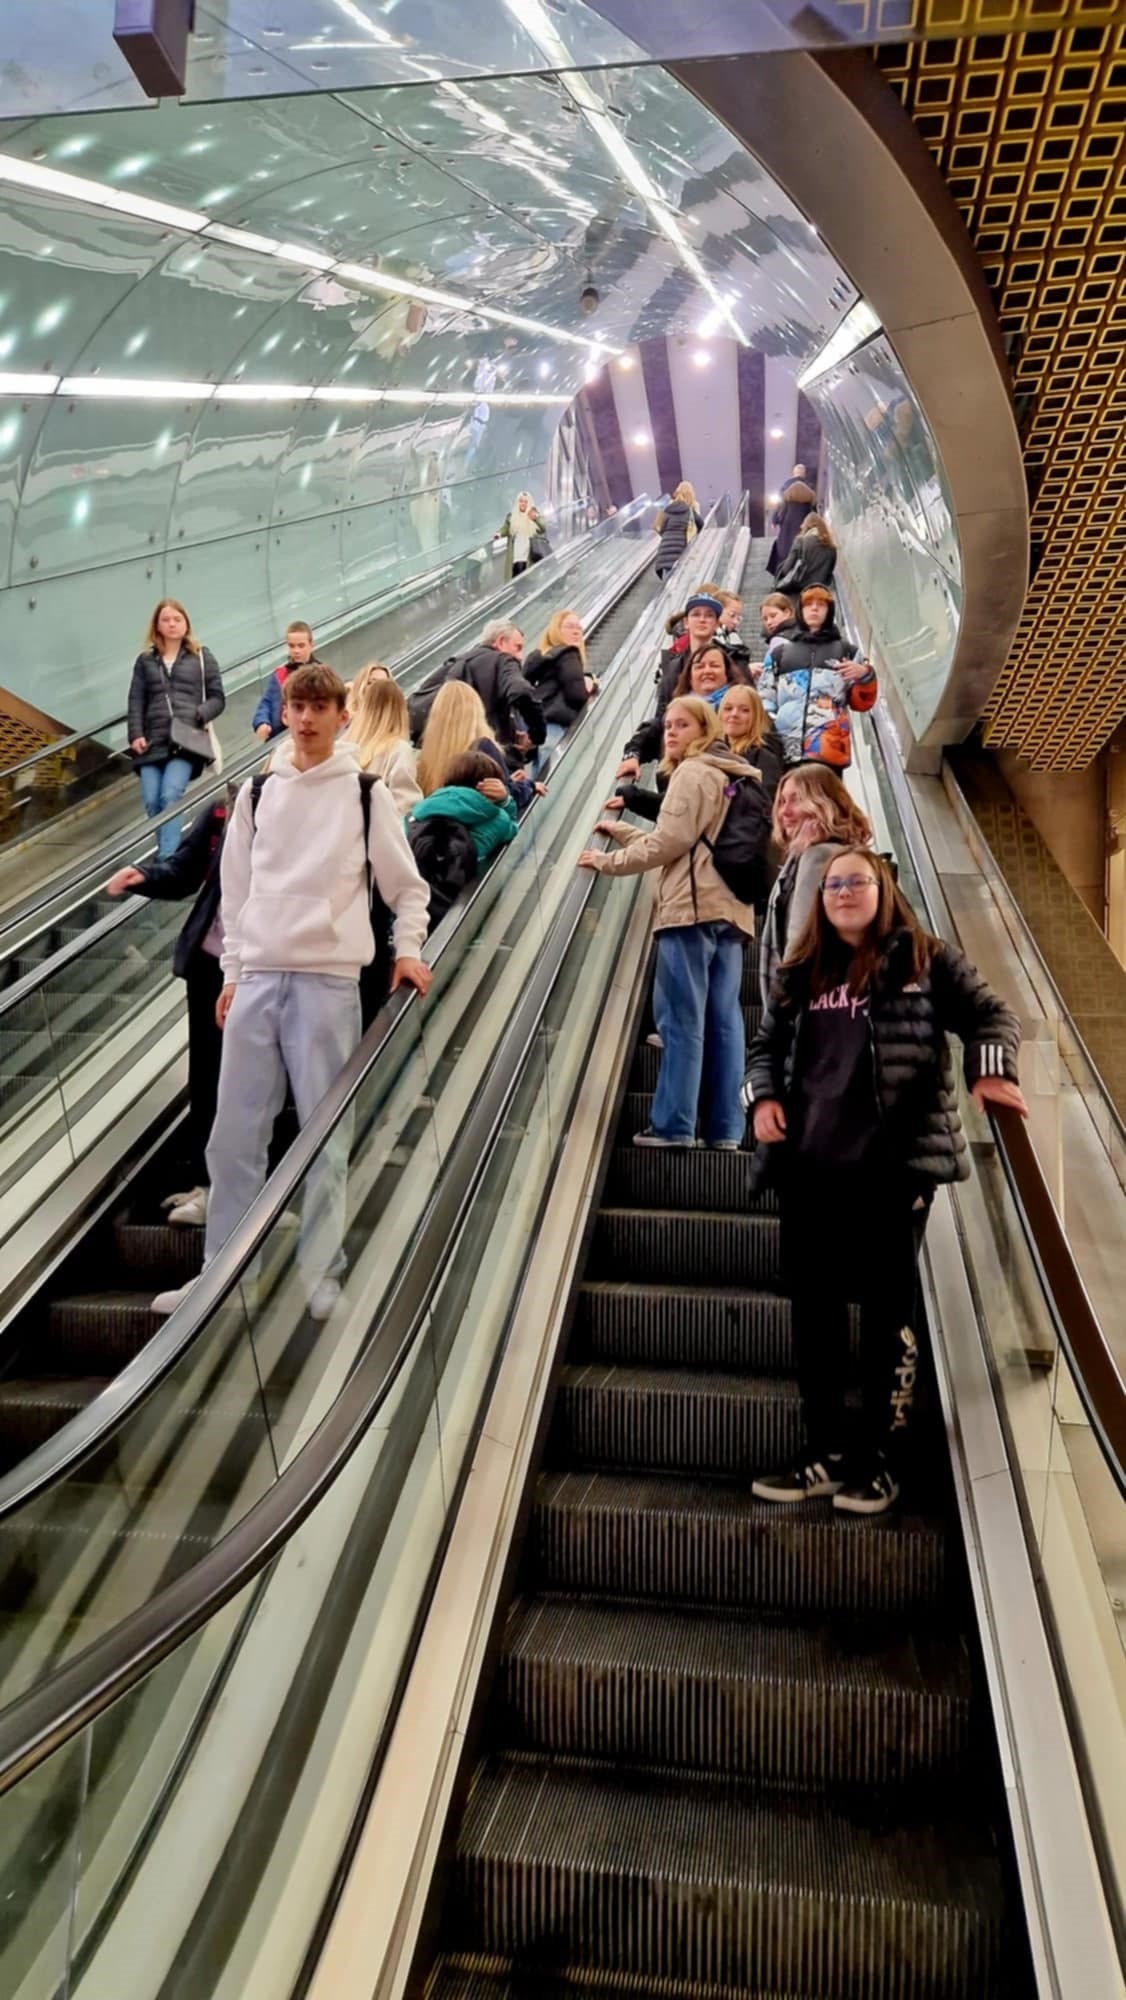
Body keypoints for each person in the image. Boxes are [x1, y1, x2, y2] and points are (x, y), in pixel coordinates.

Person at [744, 849, 1026, 1515]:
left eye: (857, 881)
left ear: (883, 889)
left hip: (890, 1174)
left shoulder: (925, 959)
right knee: (814, 1316)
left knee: (884, 1318)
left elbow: (993, 1015)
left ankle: (877, 1461)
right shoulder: (800, 971)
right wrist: (762, 1099)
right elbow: (763, 1048)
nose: (843, 892)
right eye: (832, 884)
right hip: (808, 1170)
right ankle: (822, 1452)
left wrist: (990, 1069)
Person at [151, 663, 431, 1324]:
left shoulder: (364, 794)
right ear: (285, 713)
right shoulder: (256, 792)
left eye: (318, 708)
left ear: (341, 716)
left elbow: (406, 887)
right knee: (232, 1136)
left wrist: (409, 949)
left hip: (328, 981)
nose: (305, 719)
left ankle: (321, 1272)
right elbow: (237, 894)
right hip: (259, 979)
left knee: (325, 1132)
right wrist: (233, 975)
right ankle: (222, 1277)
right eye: (297, 707)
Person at [578, 697, 754, 1150]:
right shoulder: (733, 774)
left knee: (681, 1020)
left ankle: (674, 1125)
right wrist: (625, 833)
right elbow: (687, 844)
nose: (671, 732)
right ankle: (726, 1129)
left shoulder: (693, 772)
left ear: (704, 730)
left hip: (691, 912)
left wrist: (608, 861)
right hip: (731, 912)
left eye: (683, 725)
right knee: (725, 1024)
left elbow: (669, 843)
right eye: (668, 725)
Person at [106, 798, 234, 1228]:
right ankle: (207, 1185)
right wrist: (143, 876)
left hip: (266, 969)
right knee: (207, 1077)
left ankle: (246, 1189)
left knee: (250, 1082)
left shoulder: (311, 809)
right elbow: (185, 870)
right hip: (210, 966)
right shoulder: (227, 808)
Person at [759, 763, 873, 1006]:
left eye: (796, 800)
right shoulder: (844, 854)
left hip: (812, 999)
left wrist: (784, 1005)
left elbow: (801, 939)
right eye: (782, 801)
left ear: (823, 803)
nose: (784, 811)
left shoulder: (818, 857)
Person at [128, 600, 225, 858]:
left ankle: (167, 859)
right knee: (152, 801)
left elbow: (217, 698)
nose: (172, 624)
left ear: (186, 624)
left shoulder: (201, 656)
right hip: (152, 742)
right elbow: (136, 700)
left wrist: (199, 714)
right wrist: (136, 734)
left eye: (177, 619)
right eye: (166, 619)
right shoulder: (145, 661)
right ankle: (167, 854)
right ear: (157, 626)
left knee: (170, 795)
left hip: (186, 740)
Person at [760, 587, 877, 770]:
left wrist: (865, 674)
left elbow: (862, 704)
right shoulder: (780, 654)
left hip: (828, 749)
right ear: (800, 610)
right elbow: (765, 698)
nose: (814, 609)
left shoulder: (847, 652)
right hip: (784, 747)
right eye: (808, 604)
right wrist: (773, 726)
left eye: (821, 604)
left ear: (829, 611)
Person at [616, 639, 748, 782]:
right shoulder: (678, 710)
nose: (707, 671)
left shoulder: (742, 711)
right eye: (699, 666)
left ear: (727, 673)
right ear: (690, 677)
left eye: (714, 665)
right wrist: (632, 755)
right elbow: (652, 731)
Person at [417, 680, 544, 813]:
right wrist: (528, 786)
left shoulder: (426, 758)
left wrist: (509, 782)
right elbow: (504, 798)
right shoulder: (482, 748)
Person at [344, 665, 422, 815]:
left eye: (383, 682)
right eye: (371, 682)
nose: (377, 687)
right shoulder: (399, 750)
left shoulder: (343, 742)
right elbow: (405, 806)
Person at [524, 609, 598, 751]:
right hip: (556, 725)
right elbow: (576, 696)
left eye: (579, 628)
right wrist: (590, 684)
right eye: (570, 627)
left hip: (537, 727)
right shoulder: (568, 654)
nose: (576, 632)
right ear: (555, 630)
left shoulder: (540, 658)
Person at [253, 622, 321, 742]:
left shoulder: (322, 675)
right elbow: (266, 702)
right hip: (280, 738)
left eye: (301, 646)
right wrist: (261, 722)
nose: (296, 651)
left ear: (311, 645)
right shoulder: (279, 674)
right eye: (292, 646)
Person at [718, 684, 784, 801]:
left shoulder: (764, 758)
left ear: (756, 717)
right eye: (728, 708)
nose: (734, 714)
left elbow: (763, 801)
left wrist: (726, 792)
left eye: (744, 710)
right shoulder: (711, 752)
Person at [655, 592, 725, 704]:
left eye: (709, 615)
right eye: (696, 614)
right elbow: (664, 709)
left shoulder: (732, 661)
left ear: (717, 623)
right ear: (686, 622)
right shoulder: (673, 669)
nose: (702, 620)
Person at [774, 513, 837, 601]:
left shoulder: (801, 541)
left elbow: (786, 568)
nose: (801, 526)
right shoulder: (831, 547)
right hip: (820, 589)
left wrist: (780, 575)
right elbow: (829, 572)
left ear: (807, 525)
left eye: (803, 523)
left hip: (799, 588)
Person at [766, 465, 815, 576]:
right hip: (803, 522)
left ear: (794, 473)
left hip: (787, 521)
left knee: (784, 546)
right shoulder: (809, 486)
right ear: (804, 473)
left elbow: (779, 505)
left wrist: (774, 520)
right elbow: (813, 508)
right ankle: (799, 573)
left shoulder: (786, 485)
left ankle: (782, 572)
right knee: (801, 546)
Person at [652, 481, 704, 579]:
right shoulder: (690, 510)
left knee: (667, 584)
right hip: (681, 553)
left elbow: (660, 529)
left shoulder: (668, 509)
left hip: (664, 556)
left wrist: (669, 536)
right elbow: (701, 525)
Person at [499, 492, 546, 578]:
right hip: (516, 554)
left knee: (526, 577)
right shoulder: (511, 516)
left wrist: (535, 519)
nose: (523, 504)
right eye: (521, 501)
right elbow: (505, 529)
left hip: (528, 554)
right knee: (517, 576)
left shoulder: (534, 515)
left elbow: (542, 528)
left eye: (525, 502)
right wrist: (499, 534)